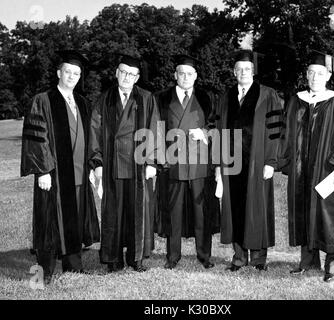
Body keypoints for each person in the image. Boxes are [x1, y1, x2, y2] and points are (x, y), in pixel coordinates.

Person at [278, 50, 334, 282]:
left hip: (327, 172)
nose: (315, 77)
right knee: (305, 213)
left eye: (320, 73)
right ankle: (307, 261)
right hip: (301, 172)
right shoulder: (296, 101)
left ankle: (333, 265)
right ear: (306, 75)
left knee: (330, 217)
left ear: (328, 76)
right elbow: (287, 136)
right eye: (311, 73)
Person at [21, 50, 100, 284]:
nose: (72, 76)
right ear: (59, 73)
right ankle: (44, 270)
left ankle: (73, 266)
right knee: (49, 220)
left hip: (78, 174)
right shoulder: (43, 100)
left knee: (75, 219)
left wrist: (91, 167)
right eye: (68, 71)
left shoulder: (83, 103)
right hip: (53, 174)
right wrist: (43, 170)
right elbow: (37, 138)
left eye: (77, 73)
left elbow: (89, 139)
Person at [89, 54, 160, 273]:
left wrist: (151, 161)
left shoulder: (146, 98)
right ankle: (113, 259)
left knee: (137, 212)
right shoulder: (105, 98)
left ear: (137, 77)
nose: (127, 77)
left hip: (138, 165)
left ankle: (136, 258)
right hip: (112, 164)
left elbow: (154, 128)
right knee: (113, 213)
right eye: (123, 72)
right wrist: (97, 162)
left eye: (132, 74)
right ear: (116, 73)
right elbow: (95, 130)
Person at [215, 50, 284, 272]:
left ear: (253, 71)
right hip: (232, 162)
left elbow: (276, 130)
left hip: (257, 161)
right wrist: (219, 163)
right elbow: (218, 130)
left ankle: (258, 258)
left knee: (258, 208)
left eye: (247, 69)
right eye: (239, 69)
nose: (243, 72)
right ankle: (238, 256)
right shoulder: (226, 97)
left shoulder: (268, 94)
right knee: (234, 207)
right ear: (234, 72)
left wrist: (271, 162)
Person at [155, 54, 219, 270]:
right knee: (174, 211)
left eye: (189, 73)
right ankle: (172, 256)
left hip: (200, 163)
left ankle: (204, 255)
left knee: (201, 211)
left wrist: (204, 132)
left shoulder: (206, 97)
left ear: (196, 76)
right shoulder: (162, 98)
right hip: (173, 162)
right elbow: (156, 128)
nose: (185, 77)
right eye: (181, 73)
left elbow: (216, 125)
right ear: (175, 75)